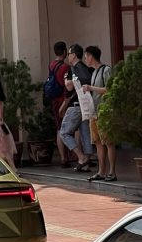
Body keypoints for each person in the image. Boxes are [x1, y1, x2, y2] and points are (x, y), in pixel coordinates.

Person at [59, 44, 95, 172]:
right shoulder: (87, 68)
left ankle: (81, 158)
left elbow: (69, 87)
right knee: (85, 134)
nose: (68, 56)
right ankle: (87, 162)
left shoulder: (72, 69)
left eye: (69, 54)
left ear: (73, 55)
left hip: (75, 106)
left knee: (64, 132)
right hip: (87, 105)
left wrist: (65, 80)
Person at [82, 45, 115, 182]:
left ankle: (112, 171)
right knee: (98, 143)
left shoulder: (106, 70)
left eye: (86, 56)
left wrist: (90, 88)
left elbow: (109, 89)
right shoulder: (94, 72)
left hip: (104, 112)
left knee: (108, 142)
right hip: (94, 112)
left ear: (91, 56)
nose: (85, 59)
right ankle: (101, 171)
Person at [45, 40, 73, 166]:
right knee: (66, 128)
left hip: (54, 100)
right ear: (64, 52)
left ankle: (63, 158)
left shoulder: (51, 65)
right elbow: (66, 86)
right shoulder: (65, 67)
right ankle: (69, 156)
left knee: (59, 128)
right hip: (63, 100)